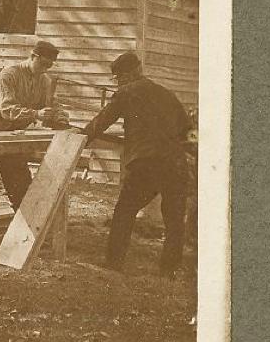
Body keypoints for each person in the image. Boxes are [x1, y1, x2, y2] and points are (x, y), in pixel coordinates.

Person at [81, 51, 191, 277]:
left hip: (147, 163)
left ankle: (114, 263)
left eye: (119, 78)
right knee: (174, 217)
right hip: (176, 163)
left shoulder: (126, 92)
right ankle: (169, 270)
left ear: (130, 74)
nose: (119, 82)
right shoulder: (167, 94)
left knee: (125, 210)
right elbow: (188, 131)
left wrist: (80, 136)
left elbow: (102, 121)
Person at [0, 40, 69, 218]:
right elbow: (7, 110)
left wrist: (59, 116)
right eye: (43, 64)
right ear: (33, 56)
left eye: (49, 66)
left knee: (20, 183)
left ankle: (25, 232)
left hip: (10, 135)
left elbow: (52, 103)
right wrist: (36, 115)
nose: (45, 69)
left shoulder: (44, 81)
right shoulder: (9, 74)